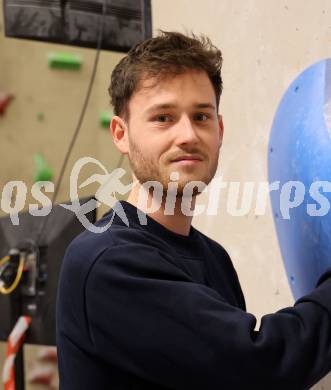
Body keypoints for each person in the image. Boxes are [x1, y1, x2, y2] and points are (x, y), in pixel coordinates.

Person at [56, 31, 331, 389]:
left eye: (201, 117)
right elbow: (259, 366)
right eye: (163, 118)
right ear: (121, 134)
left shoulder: (214, 259)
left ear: (218, 129)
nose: (187, 135)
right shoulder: (105, 262)